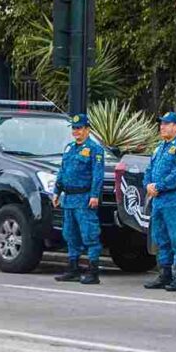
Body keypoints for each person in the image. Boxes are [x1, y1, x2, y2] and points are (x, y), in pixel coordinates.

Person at [143, 111, 176, 292]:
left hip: (174, 200)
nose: (162, 127)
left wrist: (159, 186)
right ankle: (164, 274)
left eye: (166, 124)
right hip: (158, 201)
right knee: (161, 239)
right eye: (161, 124)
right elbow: (149, 169)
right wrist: (148, 184)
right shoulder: (159, 148)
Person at [52, 113, 105, 285]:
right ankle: (73, 268)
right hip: (69, 199)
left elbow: (98, 174)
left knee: (90, 234)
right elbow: (62, 171)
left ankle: (93, 270)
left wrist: (95, 195)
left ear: (87, 129)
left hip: (84, 198)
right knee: (70, 234)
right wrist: (56, 191)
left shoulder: (95, 149)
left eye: (80, 128)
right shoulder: (70, 148)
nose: (76, 132)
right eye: (74, 128)